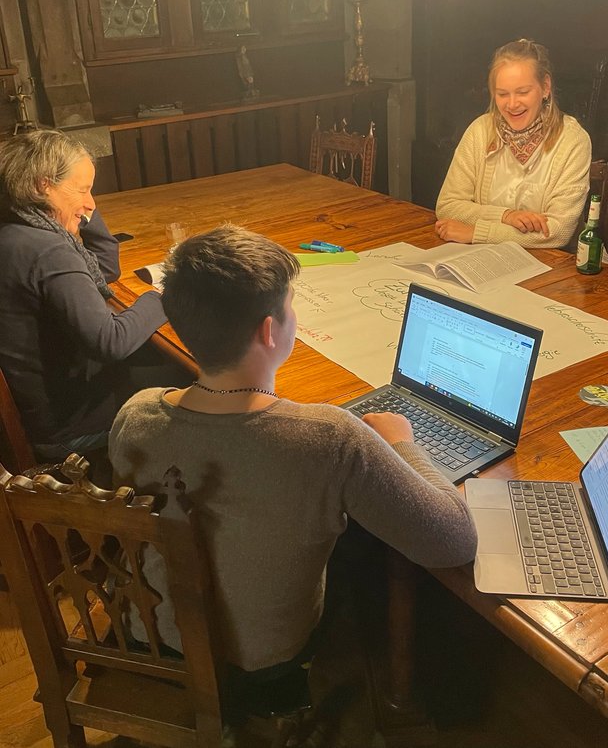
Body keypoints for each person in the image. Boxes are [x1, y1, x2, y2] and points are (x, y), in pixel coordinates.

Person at [108, 223, 477, 680]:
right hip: (263, 665)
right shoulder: (329, 438)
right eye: (290, 306)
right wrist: (403, 443)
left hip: (148, 635)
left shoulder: (135, 414)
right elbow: (453, 542)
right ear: (269, 331)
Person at [0, 129, 180, 463]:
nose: (92, 203)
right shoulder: (48, 251)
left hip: (43, 406)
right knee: (194, 377)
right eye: (83, 189)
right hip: (68, 427)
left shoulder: (15, 230)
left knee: (158, 360)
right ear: (43, 185)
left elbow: (104, 269)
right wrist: (162, 295)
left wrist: (79, 209)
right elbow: (110, 342)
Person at [435, 38, 591, 249]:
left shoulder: (573, 140)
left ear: (545, 87)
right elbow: (447, 206)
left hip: (558, 262)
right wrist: (506, 216)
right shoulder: (480, 130)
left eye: (523, 92)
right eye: (502, 94)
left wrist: (477, 232)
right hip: (487, 257)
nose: (512, 104)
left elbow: (557, 232)